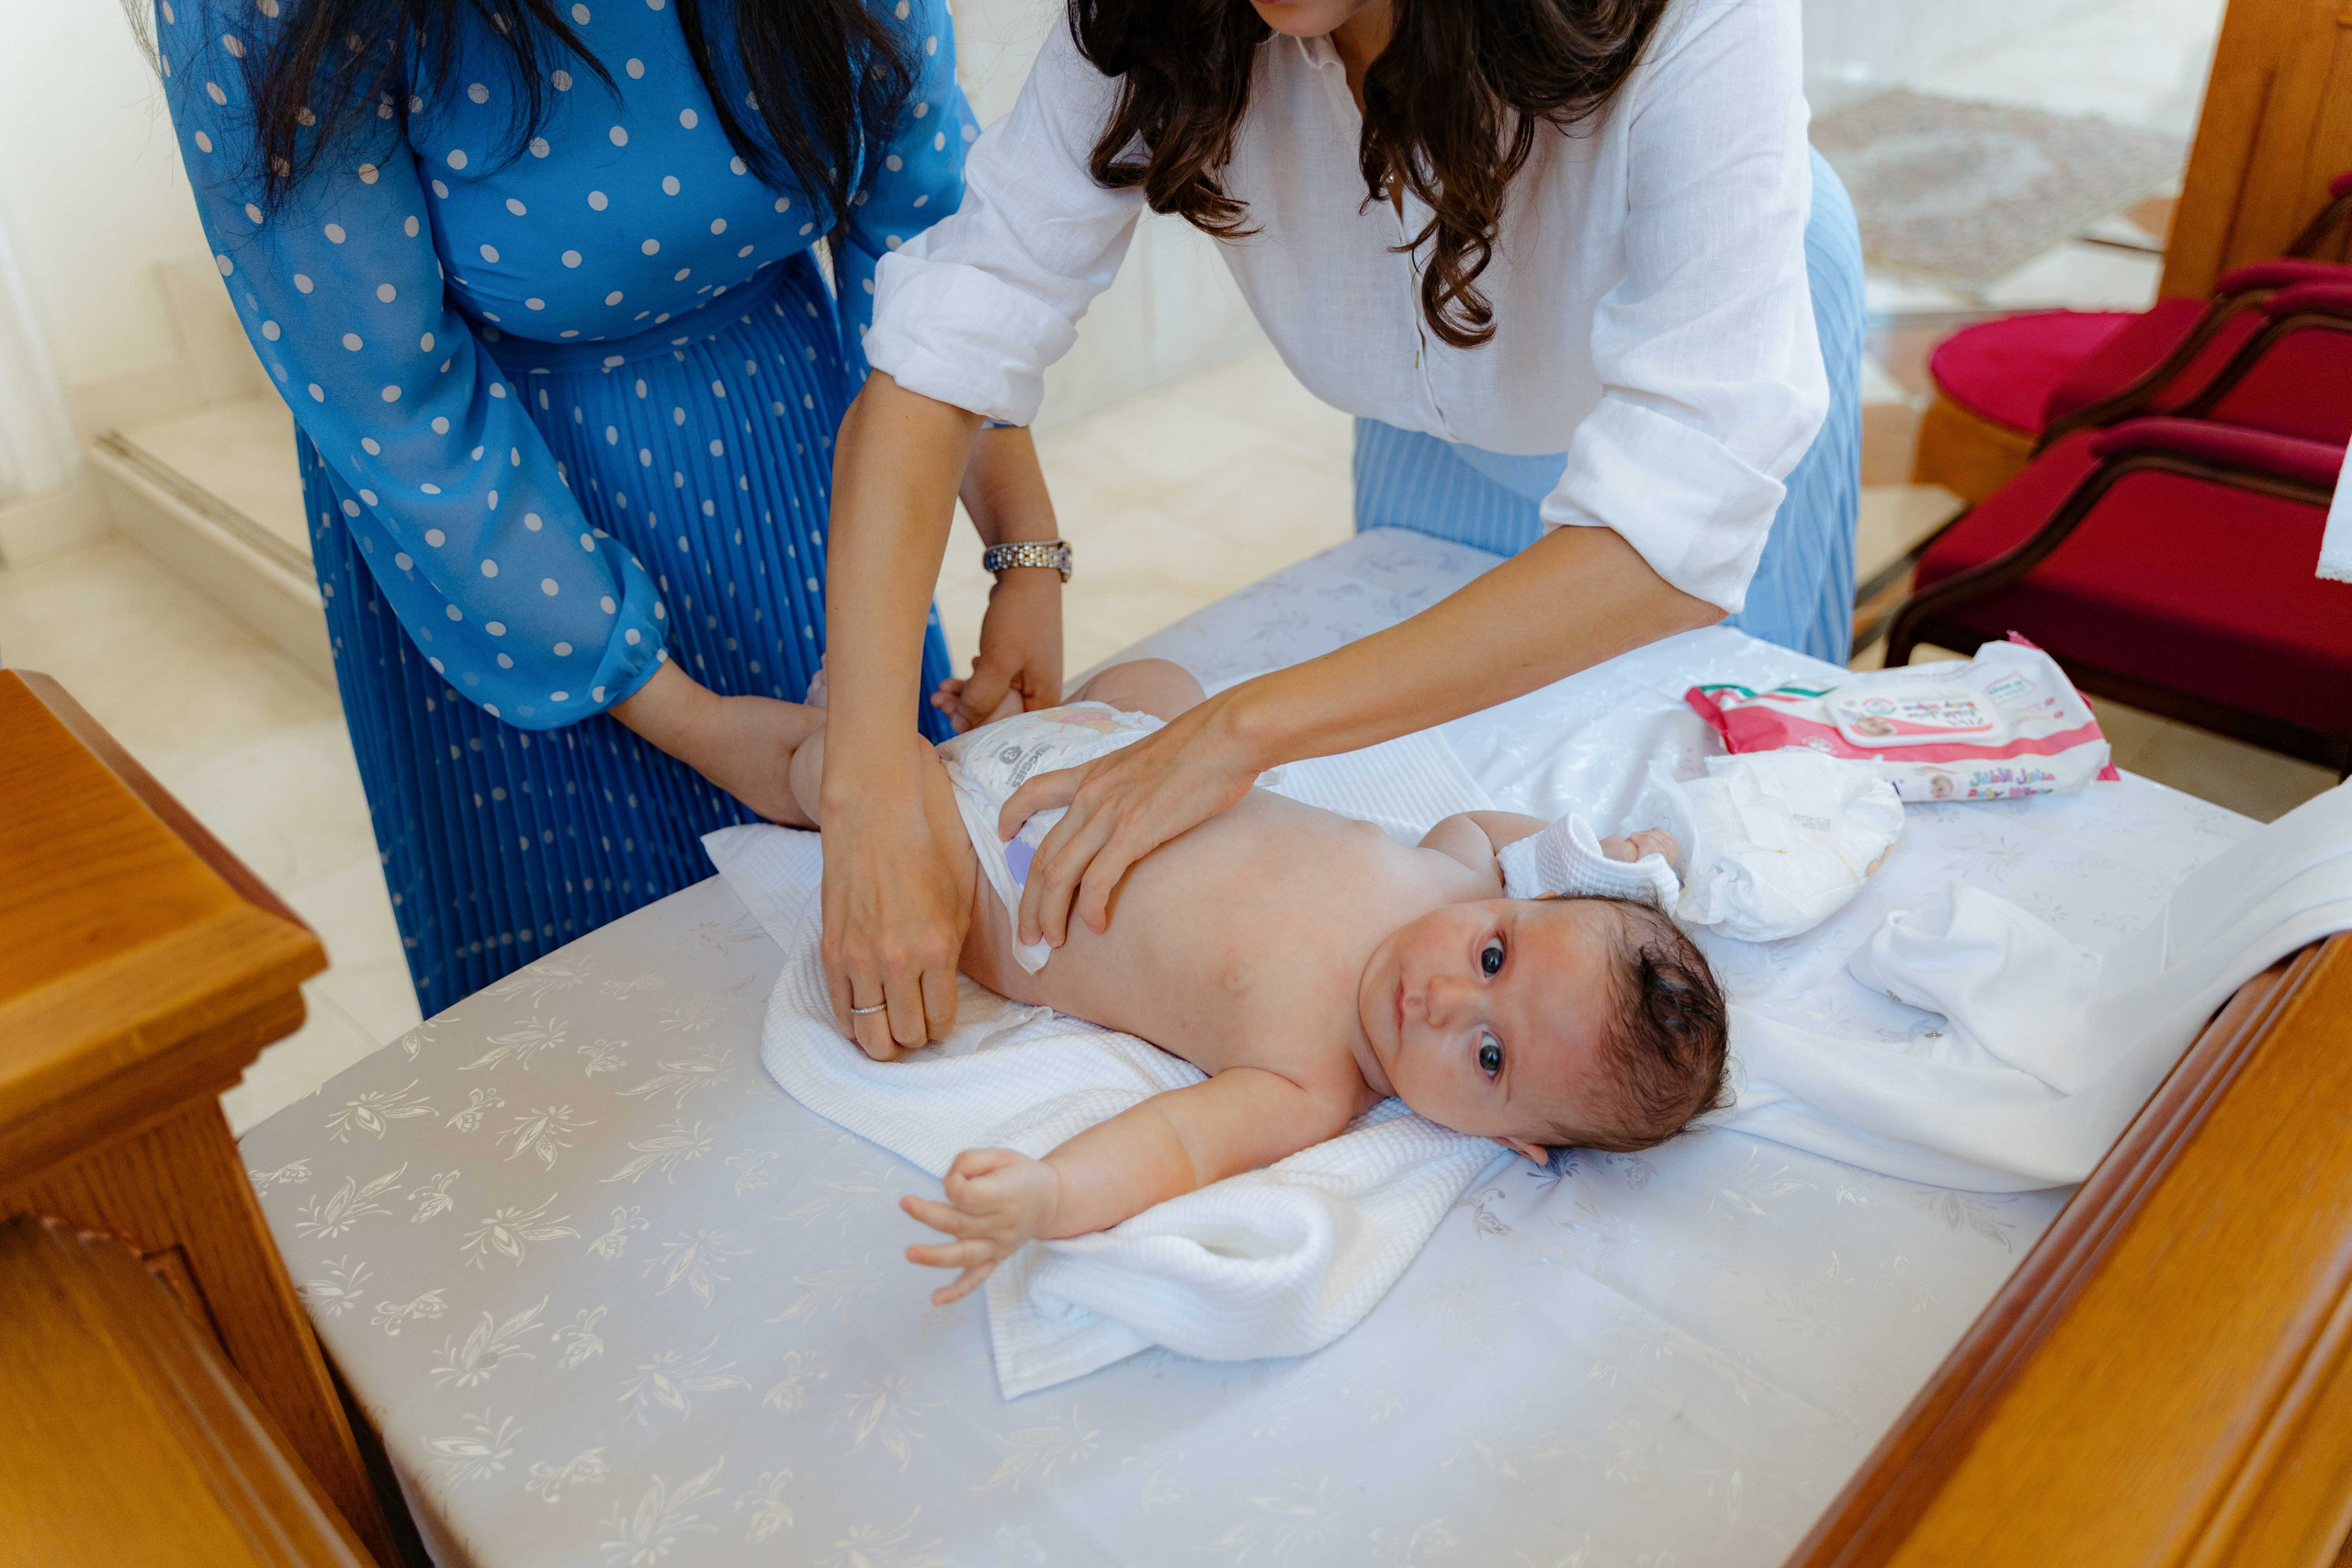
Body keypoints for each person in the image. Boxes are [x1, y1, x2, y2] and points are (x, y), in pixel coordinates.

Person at [812, 0, 1860, 1057]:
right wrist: (867, 797)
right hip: (1430, 409)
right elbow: (954, 334)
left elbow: (1666, 539)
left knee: (1703, 904)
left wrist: (1235, 731)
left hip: (1698, 387)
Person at [152, 0, 1064, 1007]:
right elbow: (392, 404)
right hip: (501, 546)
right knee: (639, 1025)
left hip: (807, 462)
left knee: (905, 937)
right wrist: (693, 721)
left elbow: (930, 245)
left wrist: (1022, 547)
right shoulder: (263, 15)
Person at [768, 658, 1728, 1304]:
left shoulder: (1308, 1083)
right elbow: (1510, 835)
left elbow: (1175, 1146)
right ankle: (1005, 727)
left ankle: (687, 708)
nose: (1442, 998)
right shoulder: (1456, 870)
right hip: (1122, 749)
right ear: (1520, 905)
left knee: (833, 777)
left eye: (1486, 1054)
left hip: (983, 867)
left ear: (1515, 1140)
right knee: (1160, 680)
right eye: (1492, 957)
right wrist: (1602, 863)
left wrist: (1048, 1195)